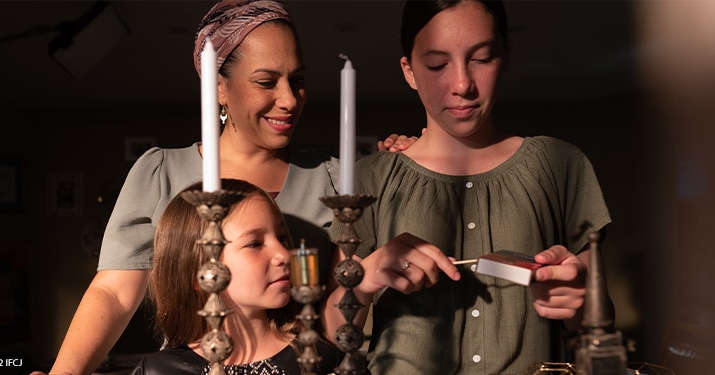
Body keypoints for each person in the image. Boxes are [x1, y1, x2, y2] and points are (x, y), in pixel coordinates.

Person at [31, 1, 417, 374]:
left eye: (297, 80)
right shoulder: (161, 172)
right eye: (266, 81)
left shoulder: (334, 177)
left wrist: (409, 162)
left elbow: (340, 311)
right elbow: (115, 294)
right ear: (218, 86)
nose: (288, 100)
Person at [321, 0, 615, 374]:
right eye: (437, 65)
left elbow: (600, 327)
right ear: (409, 71)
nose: (462, 85)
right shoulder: (369, 179)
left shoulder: (562, 165)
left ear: (505, 55)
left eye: (481, 58)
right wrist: (364, 282)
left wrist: (580, 303)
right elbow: (332, 333)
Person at [130, 179, 343, 375]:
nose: (284, 254)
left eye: (282, 237)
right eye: (255, 244)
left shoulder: (315, 356)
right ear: (199, 274)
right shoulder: (162, 371)